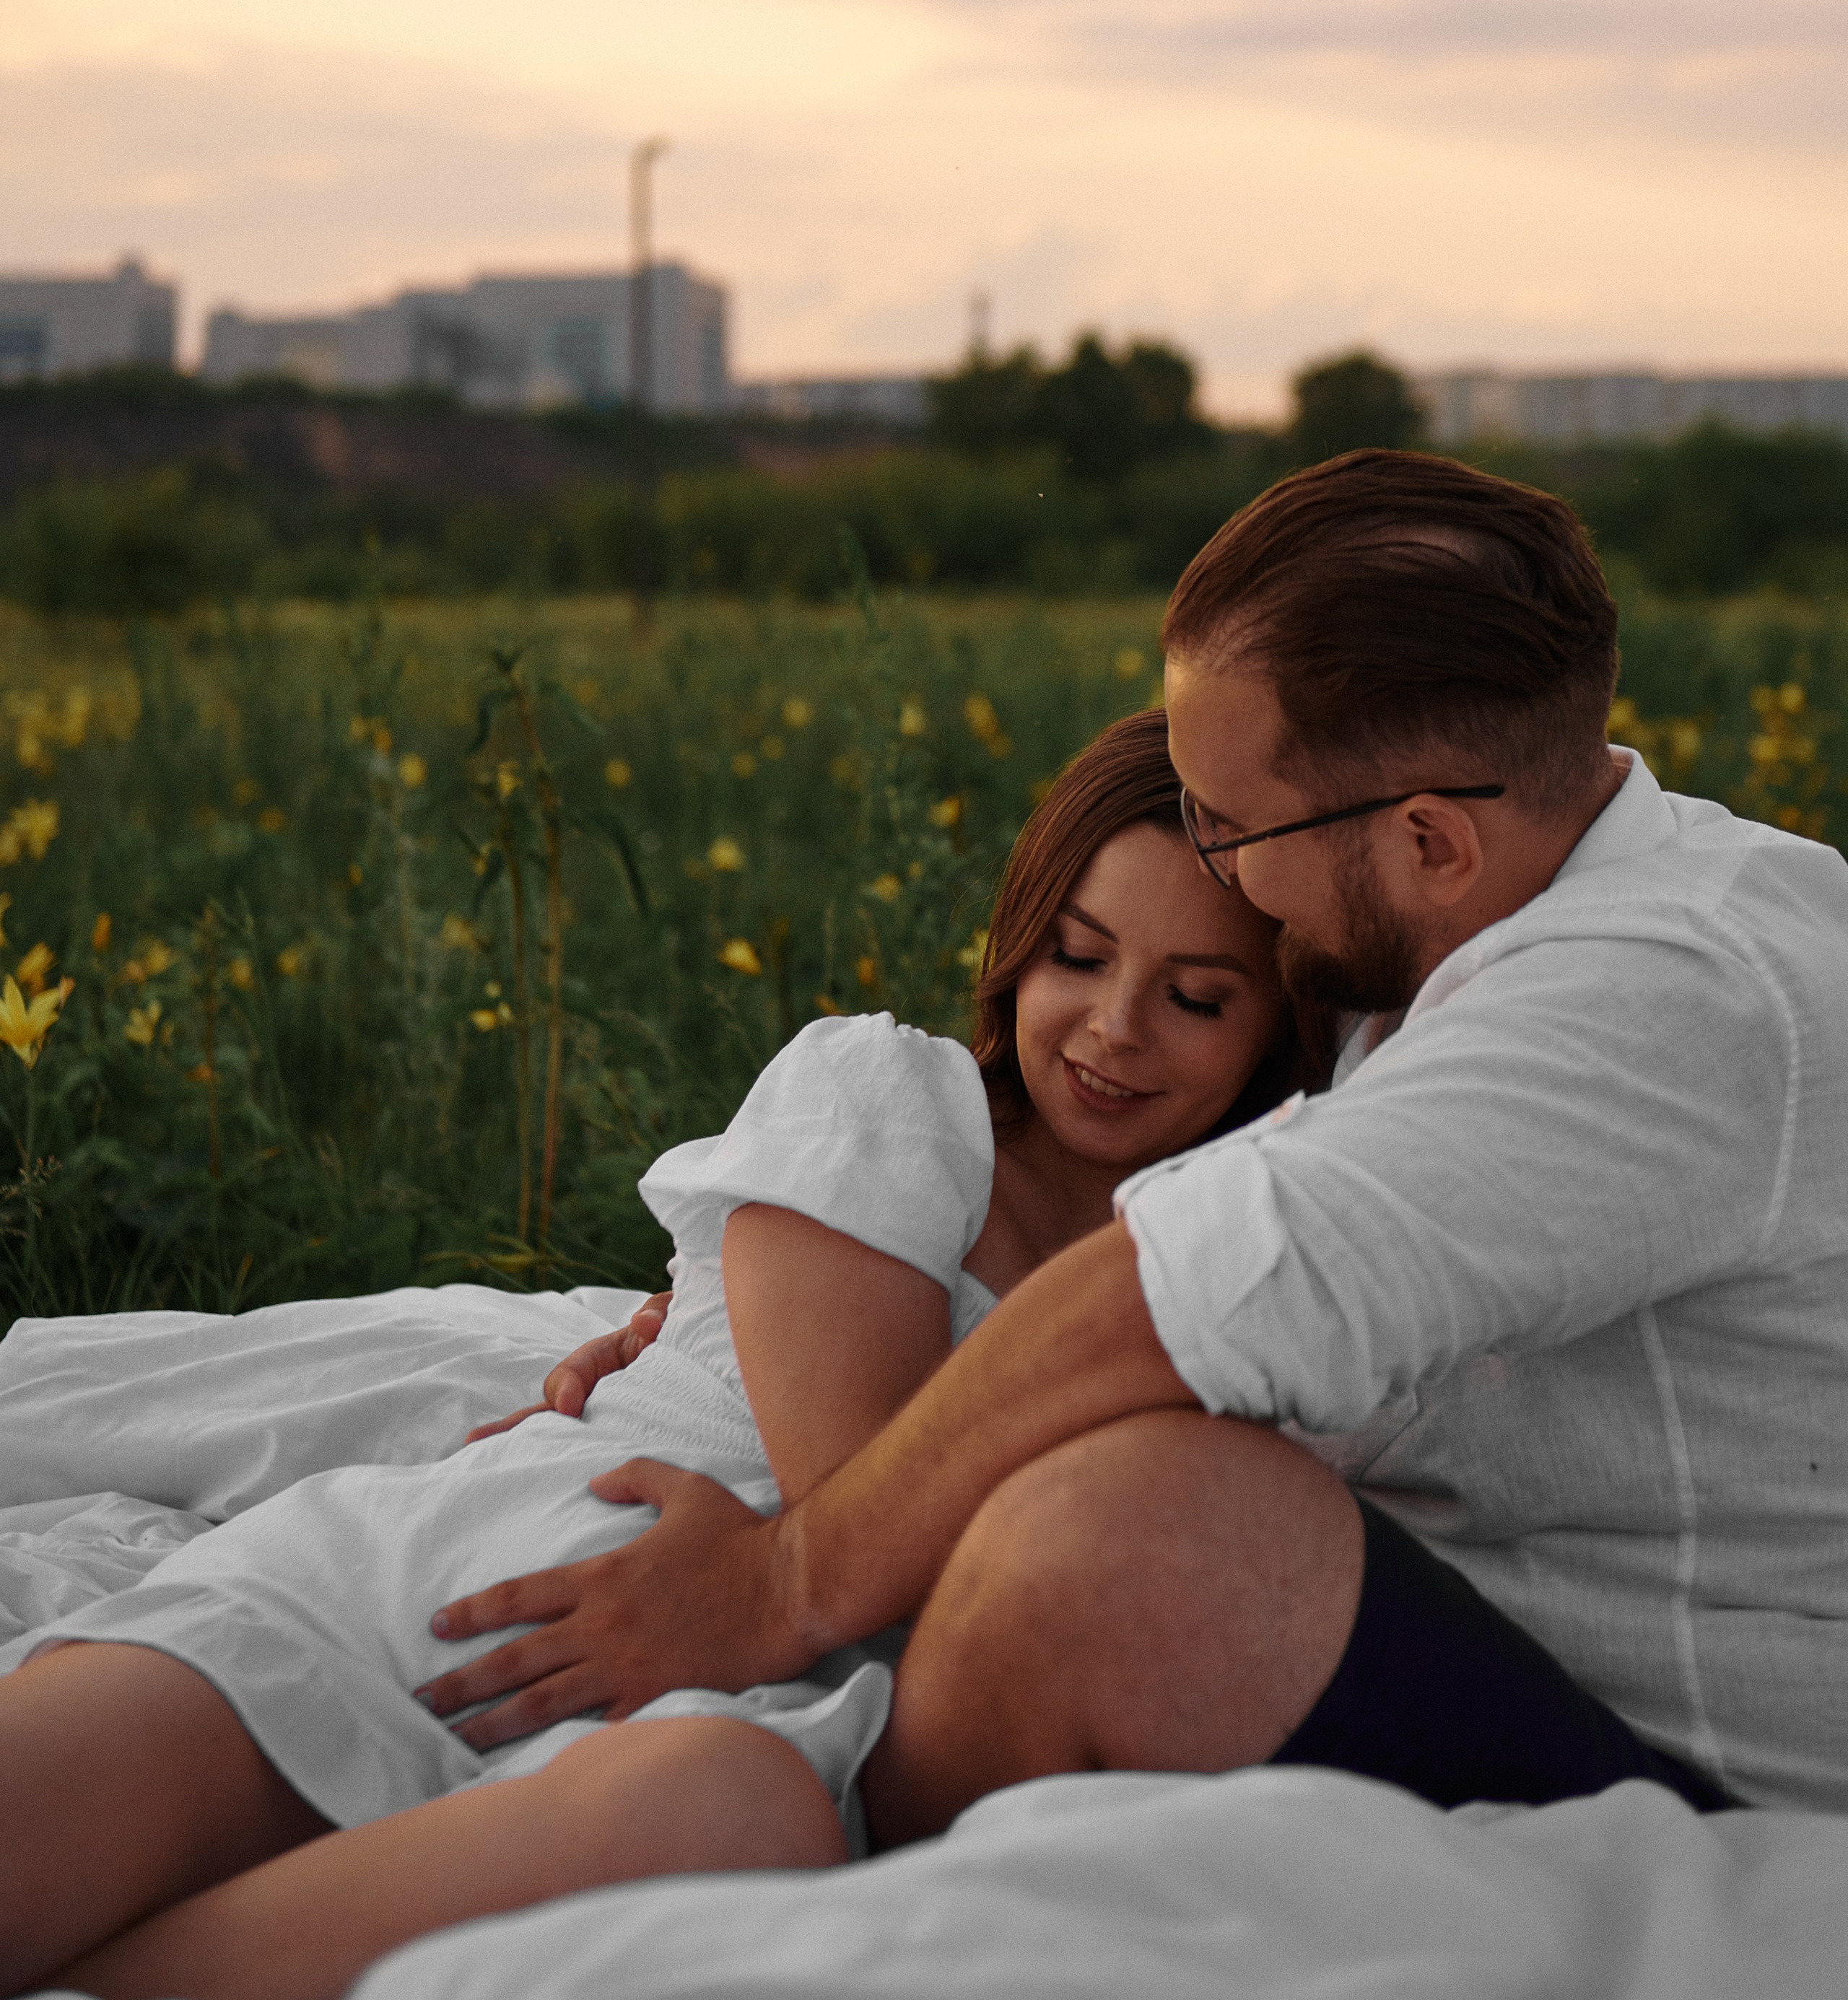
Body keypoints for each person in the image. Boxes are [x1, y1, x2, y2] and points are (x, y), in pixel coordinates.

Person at [411, 450, 1848, 1838]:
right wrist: (726, 1334)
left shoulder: (1672, 994)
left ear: (1427, 843)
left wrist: (784, 1577)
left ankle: (840, 1873)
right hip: (1466, 1644)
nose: (1218, 871)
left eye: (1228, 829)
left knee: (1123, 1534)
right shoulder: (1463, 929)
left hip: (1687, 1760)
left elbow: (1173, 1297)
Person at [0, 709, 1322, 2000]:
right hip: (462, 1585)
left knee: (735, 1819)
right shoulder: (894, 1101)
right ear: (1018, 944)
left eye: (1196, 997)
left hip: (714, 1737)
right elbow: (850, 1488)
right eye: (1077, 959)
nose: (1113, 1029)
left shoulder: (1247, 1264)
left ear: (1280, 1029)